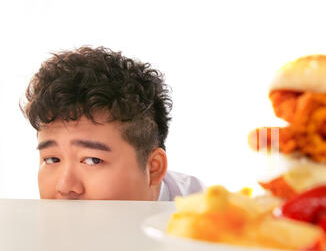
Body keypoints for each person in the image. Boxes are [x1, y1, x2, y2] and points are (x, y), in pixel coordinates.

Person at [21, 46, 204, 200]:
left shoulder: (208, 222)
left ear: (153, 168)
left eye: (93, 160)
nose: (65, 187)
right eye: (52, 159)